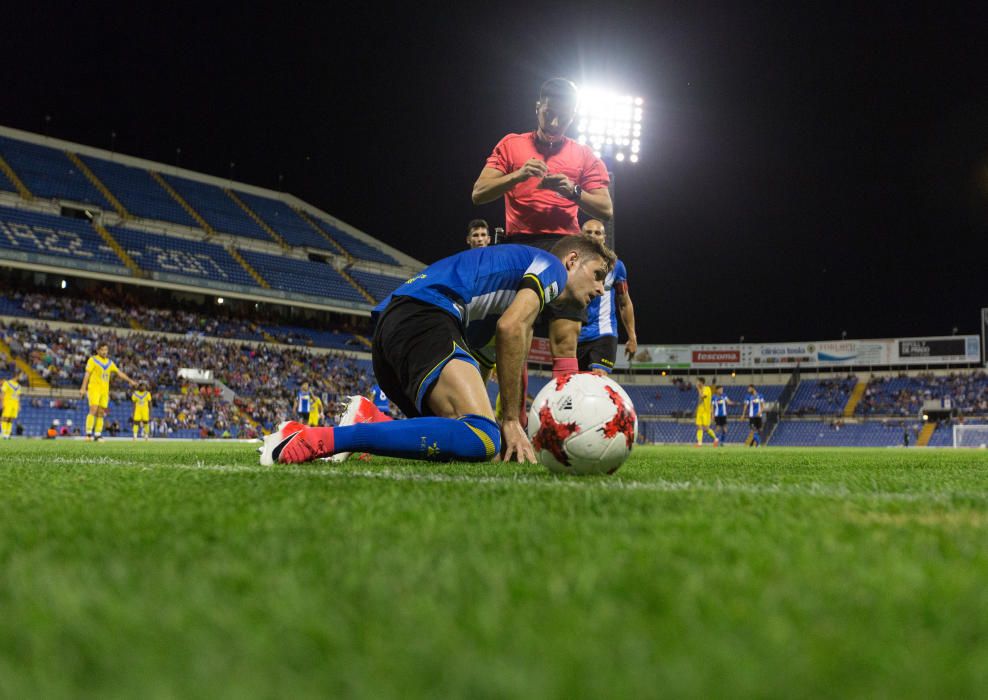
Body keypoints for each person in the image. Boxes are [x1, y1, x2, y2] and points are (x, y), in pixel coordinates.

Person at [260, 236, 614, 466]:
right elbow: (512, 328)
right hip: (423, 316)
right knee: (484, 436)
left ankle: (371, 418)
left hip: (396, 329)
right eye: (598, 275)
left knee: (482, 448)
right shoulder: (548, 268)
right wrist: (508, 420)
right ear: (571, 260)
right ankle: (320, 439)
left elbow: (483, 362)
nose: (600, 289)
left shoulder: (497, 298)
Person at [471, 78, 613, 379]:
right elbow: (479, 192)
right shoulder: (512, 144)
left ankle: (563, 420)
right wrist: (518, 175)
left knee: (564, 338)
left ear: (573, 115)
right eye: (549, 113)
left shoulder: (584, 155)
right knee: (512, 338)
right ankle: (512, 420)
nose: (556, 121)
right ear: (538, 108)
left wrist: (573, 190)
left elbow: (606, 209)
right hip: (517, 247)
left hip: (566, 249)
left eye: (564, 115)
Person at [576, 219, 638, 374]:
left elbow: (625, 303)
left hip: (604, 333)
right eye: (588, 232)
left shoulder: (617, 267)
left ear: (604, 237)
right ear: (580, 236)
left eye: (597, 233)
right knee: (573, 386)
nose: (593, 236)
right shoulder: (571, 262)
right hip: (574, 335)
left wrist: (632, 336)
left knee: (597, 380)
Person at [79, 343, 137, 441]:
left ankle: (97, 435)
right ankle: (88, 434)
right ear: (98, 350)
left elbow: (119, 373)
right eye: (102, 350)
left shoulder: (110, 363)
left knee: (101, 412)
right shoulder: (93, 360)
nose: (104, 352)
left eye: (106, 350)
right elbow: (87, 374)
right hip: (94, 389)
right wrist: (83, 388)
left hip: (105, 391)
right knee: (93, 410)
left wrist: (130, 381)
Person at [694, 378, 719, 447]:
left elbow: (702, 397)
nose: (696, 384)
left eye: (697, 382)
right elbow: (700, 401)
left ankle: (716, 439)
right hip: (700, 411)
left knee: (706, 428)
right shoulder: (701, 390)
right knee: (699, 427)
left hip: (706, 411)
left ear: (701, 383)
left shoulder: (707, 389)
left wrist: (698, 389)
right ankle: (699, 443)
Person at [1, 371, 26, 439]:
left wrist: (19, 405)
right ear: (16, 376)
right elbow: (3, 393)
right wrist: (2, 403)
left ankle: (8, 434)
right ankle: (3, 433)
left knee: (11, 419)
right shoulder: (7, 383)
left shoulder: (19, 386)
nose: (21, 377)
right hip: (8, 403)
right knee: (5, 418)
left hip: (14, 404)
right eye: (20, 376)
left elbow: (18, 397)